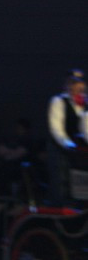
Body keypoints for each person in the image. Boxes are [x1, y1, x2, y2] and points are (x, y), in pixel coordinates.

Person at [46, 68, 88, 205]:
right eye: (73, 83)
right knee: (62, 181)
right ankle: (61, 207)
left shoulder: (85, 104)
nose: (77, 87)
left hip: (81, 153)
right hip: (62, 151)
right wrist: (70, 146)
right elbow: (57, 130)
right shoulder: (59, 102)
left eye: (80, 83)